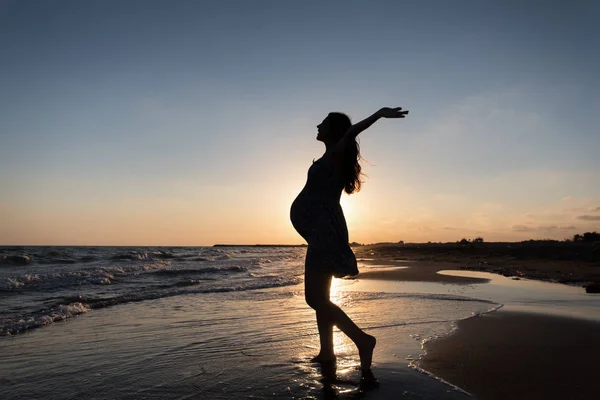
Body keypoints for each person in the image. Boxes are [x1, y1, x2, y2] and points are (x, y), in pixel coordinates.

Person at [290, 107, 409, 382]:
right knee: (322, 296)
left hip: (324, 230)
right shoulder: (329, 156)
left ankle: (362, 340)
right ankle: (327, 352)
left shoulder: (336, 152)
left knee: (314, 298)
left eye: (323, 123)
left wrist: (379, 114)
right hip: (319, 231)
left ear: (334, 131)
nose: (317, 125)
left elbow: (352, 131)